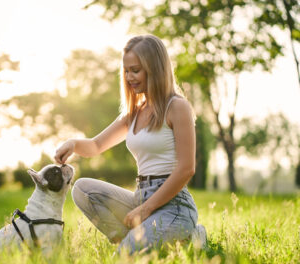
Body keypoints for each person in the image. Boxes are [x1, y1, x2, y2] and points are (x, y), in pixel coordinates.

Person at [54, 34, 206, 254]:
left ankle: (181, 237)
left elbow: (186, 169)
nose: (129, 77)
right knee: (82, 190)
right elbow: (96, 146)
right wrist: (73, 144)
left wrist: (146, 210)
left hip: (174, 206)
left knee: (125, 256)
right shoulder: (134, 113)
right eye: (126, 71)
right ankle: (139, 241)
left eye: (135, 70)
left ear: (154, 68)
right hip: (141, 197)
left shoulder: (177, 107)